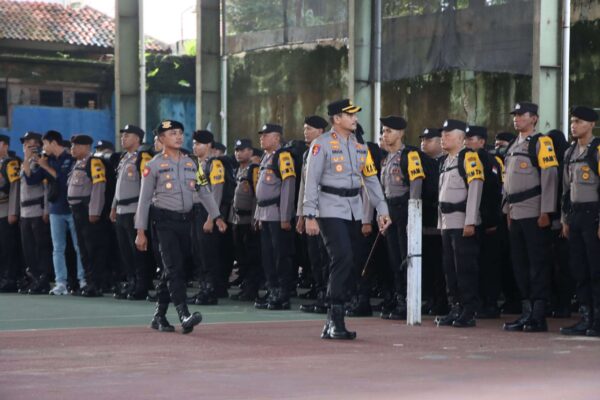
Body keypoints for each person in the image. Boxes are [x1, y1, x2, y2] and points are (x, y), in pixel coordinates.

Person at [303, 99, 391, 340]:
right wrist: (309, 214)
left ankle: (332, 320)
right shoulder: (321, 145)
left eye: (355, 115)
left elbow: (371, 180)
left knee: (350, 262)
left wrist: (382, 210)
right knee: (341, 257)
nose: (355, 118)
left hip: (353, 209)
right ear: (336, 119)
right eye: (349, 115)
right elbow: (311, 181)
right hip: (329, 208)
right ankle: (336, 317)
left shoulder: (360, 146)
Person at [135, 119, 204, 334]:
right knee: (174, 268)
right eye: (173, 133)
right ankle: (184, 314)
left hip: (186, 222)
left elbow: (204, 190)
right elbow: (144, 200)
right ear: (161, 139)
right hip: (163, 223)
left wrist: (217, 215)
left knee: (173, 268)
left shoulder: (192, 162)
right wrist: (140, 231)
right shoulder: (153, 165)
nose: (178, 136)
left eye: (180, 133)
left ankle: (159, 315)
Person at [502, 102, 558, 333]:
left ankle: (538, 314)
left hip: (534, 212)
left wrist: (546, 210)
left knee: (537, 264)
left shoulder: (541, 142)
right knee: (520, 264)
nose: (517, 119)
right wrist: (506, 211)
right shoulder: (514, 145)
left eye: (522, 115)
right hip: (515, 213)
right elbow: (506, 182)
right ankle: (526, 312)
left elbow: (550, 176)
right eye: (514, 115)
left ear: (534, 118)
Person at [435, 120, 484, 328]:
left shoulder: (469, 157)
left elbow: (475, 188)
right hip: (447, 222)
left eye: (447, 135)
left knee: (464, 268)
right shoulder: (445, 161)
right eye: (442, 135)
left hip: (462, 221)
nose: (443, 138)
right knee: (450, 268)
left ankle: (468, 310)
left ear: (460, 138)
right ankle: (455, 307)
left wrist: (470, 220)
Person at [26, 130, 85, 295]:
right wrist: (28, 160)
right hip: (55, 210)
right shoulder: (48, 160)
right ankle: (61, 283)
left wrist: (46, 166)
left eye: (44, 143)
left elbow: (66, 180)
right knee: (58, 248)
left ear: (53, 142)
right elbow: (31, 180)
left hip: (72, 208)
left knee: (78, 247)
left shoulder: (70, 159)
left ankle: (82, 280)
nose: (43, 147)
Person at [560, 106, 600, 336]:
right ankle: (585, 317)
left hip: (592, 214)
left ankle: (597, 319)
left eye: (579, 121)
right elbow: (566, 189)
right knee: (579, 268)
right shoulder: (570, 152)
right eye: (572, 121)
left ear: (592, 124)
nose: (574, 125)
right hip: (575, 215)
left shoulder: (597, 149)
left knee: (595, 269)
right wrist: (565, 219)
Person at [379, 115, 424, 320]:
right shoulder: (386, 158)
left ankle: (409, 300)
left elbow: (416, 183)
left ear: (401, 133)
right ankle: (399, 298)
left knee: (407, 256)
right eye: (383, 131)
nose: (384, 135)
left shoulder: (410, 154)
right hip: (389, 210)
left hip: (405, 209)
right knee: (394, 256)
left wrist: (413, 215)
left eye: (388, 131)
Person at [254, 123, 297, 310]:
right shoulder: (266, 157)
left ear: (277, 138)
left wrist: (286, 216)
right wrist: (257, 214)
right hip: (264, 213)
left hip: (277, 213)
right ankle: (272, 290)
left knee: (281, 255)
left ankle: (283, 293)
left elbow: (288, 186)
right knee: (268, 256)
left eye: (266, 135)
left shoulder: (283, 156)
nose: (262, 138)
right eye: (261, 135)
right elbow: (260, 190)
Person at [464, 125, 503, 318]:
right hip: (473, 219)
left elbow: (493, 192)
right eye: (466, 138)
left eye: (472, 139)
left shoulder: (488, 160)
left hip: (487, 221)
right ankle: (479, 302)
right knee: (475, 264)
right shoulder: (464, 158)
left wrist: (490, 221)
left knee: (489, 264)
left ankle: (490, 303)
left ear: (481, 141)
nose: (467, 142)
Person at [110, 125, 153, 300]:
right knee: (125, 251)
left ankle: (141, 286)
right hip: (121, 209)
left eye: (127, 135)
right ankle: (131, 282)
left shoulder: (142, 158)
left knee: (138, 251)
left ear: (137, 139)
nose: (123, 138)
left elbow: (146, 186)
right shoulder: (123, 159)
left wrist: (141, 211)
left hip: (134, 209)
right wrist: (113, 206)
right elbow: (118, 186)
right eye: (123, 135)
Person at [189, 129, 227, 305]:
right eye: (194, 143)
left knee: (208, 253)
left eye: (198, 144)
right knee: (199, 253)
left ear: (209, 145)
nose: (195, 147)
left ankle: (211, 290)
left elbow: (216, 193)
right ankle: (204, 287)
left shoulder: (215, 164)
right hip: (196, 211)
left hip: (207, 213)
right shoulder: (197, 164)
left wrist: (212, 218)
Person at [67, 134, 108, 297]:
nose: (72, 149)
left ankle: (96, 284)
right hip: (77, 211)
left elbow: (99, 187)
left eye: (76, 146)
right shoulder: (77, 164)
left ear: (85, 147)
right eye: (72, 146)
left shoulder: (94, 162)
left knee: (92, 249)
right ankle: (89, 282)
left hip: (87, 211)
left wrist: (94, 211)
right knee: (83, 249)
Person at [296, 116, 330, 314]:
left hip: (325, 212)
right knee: (314, 257)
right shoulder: (307, 153)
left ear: (320, 131)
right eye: (304, 128)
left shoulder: (327, 149)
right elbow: (304, 186)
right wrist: (302, 214)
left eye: (309, 128)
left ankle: (328, 296)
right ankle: (319, 293)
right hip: (311, 213)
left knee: (326, 257)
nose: (305, 132)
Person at [418, 127, 448, 315]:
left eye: (429, 140)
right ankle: (431, 298)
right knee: (428, 263)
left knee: (440, 264)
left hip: (441, 221)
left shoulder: (447, 162)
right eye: (422, 139)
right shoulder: (423, 163)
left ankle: (442, 301)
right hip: (426, 220)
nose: (423, 143)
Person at [229, 138, 262, 301]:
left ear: (250, 152)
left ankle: (252, 289)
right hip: (237, 219)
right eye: (236, 150)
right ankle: (245, 287)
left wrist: (256, 217)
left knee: (251, 256)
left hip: (248, 219)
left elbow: (257, 195)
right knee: (241, 256)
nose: (238, 153)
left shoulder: (253, 169)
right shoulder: (238, 170)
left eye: (242, 150)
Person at [19, 132, 52, 294]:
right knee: (28, 248)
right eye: (25, 144)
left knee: (41, 247)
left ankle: (43, 279)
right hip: (25, 211)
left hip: (38, 210)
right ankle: (33, 277)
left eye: (30, 143)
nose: (26, 146)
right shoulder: (25, 162)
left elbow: (45, 187)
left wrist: (46, 209)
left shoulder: (40, 161)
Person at [0, 135, 21, 292]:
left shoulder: (11, 163)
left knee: (7, 248)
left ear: (5, 146)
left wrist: (13, 211)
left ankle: (9, 280)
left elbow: (14, 188)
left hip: (5, 211)